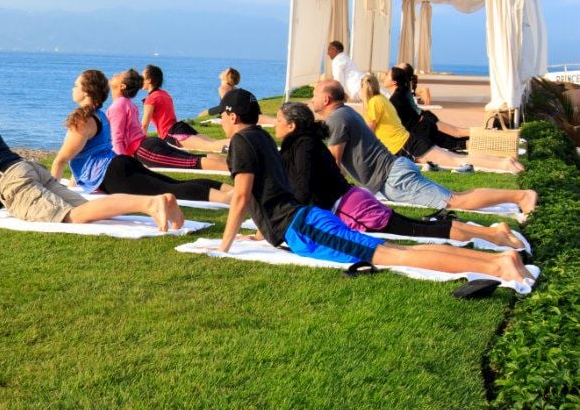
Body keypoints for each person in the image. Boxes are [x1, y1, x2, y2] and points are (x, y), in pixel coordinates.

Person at [210, 88, 534, 284]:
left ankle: (497, 263)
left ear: (232, 115)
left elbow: (242, 197)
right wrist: (263, 230)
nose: (221, 122)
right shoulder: (262, 138)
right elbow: (274, 194)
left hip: (309, 225)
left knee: (397, 254)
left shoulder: (244, 142)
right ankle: (497, 258)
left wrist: (224, 245)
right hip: (309, 219)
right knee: (400, 249)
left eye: (222, 116)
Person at [0, 71, 184, 230]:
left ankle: (153, 204)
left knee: (73, 216)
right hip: (26, 168)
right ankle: (154, 202)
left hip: (13, 181)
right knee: (89, 211)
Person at [276, 101, 525, 249]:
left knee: (442, 214)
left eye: (278, 120)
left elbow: (308, 185)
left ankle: (514, 205)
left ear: (292, 126)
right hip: (379, 184)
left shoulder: (313, 140)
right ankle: (496, 228)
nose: (274, 124)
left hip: (385, 183)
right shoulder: (312, 138)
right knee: (426, 224)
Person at [309, 80, 537, 214]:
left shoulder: (338, 119)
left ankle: (520, 196)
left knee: (457, 200)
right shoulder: (344, 113)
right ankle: (518, 196)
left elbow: (333, 164)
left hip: (394, 177)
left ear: (327, 99)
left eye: (314, 94)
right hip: (392, 174)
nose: (311, 98)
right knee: (457, 197)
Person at [52, 69, 233, 203]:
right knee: (173, 184)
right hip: (119, 163)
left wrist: (52, 195)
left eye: (76, 85)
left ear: (86, 91)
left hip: (113, 173)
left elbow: (61, 160)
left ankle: (229, 199)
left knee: (171, 190)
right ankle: (232, 191)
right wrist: (76, 183)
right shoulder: (100, 115)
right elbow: (87, 154)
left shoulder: (84, 120)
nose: (72, 88)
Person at [363, 74, 522, 173]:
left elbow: (367, 132)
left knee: (457, 161)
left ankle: (504, 164)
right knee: (457, 157)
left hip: (407, 146)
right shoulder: (382, 99)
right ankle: (504, 162)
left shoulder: (374, 103)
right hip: (410, 142)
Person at [108, 69, 229, 171]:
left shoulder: (119, 106)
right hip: (155, 141)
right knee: (196, 157)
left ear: (122, 86)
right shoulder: (129, 103)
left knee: (193, 162)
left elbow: (118, 139)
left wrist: (121, 166)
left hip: (149, 148)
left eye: (118, 75)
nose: (114, 75)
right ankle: (239, 165)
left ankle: (240, 169)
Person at [139, 64, 228, 153]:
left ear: (149, 80)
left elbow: (144, 126)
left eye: (142, 78)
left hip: (171, 134)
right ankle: (238, 142)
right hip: (180, 127)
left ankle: (237, 146)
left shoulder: (151, 99)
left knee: (209, 146)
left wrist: (142, 147)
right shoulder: (164, 94)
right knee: (212, 142)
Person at [387, 66, 469, 151]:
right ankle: (480, 140)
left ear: (394, 81)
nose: (385, 76)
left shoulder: (398, 97)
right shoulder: (401, 92)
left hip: (422, 125)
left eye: (387, 75)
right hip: (423, 123)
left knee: (457, 137)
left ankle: (480, 138)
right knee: (456, 140)